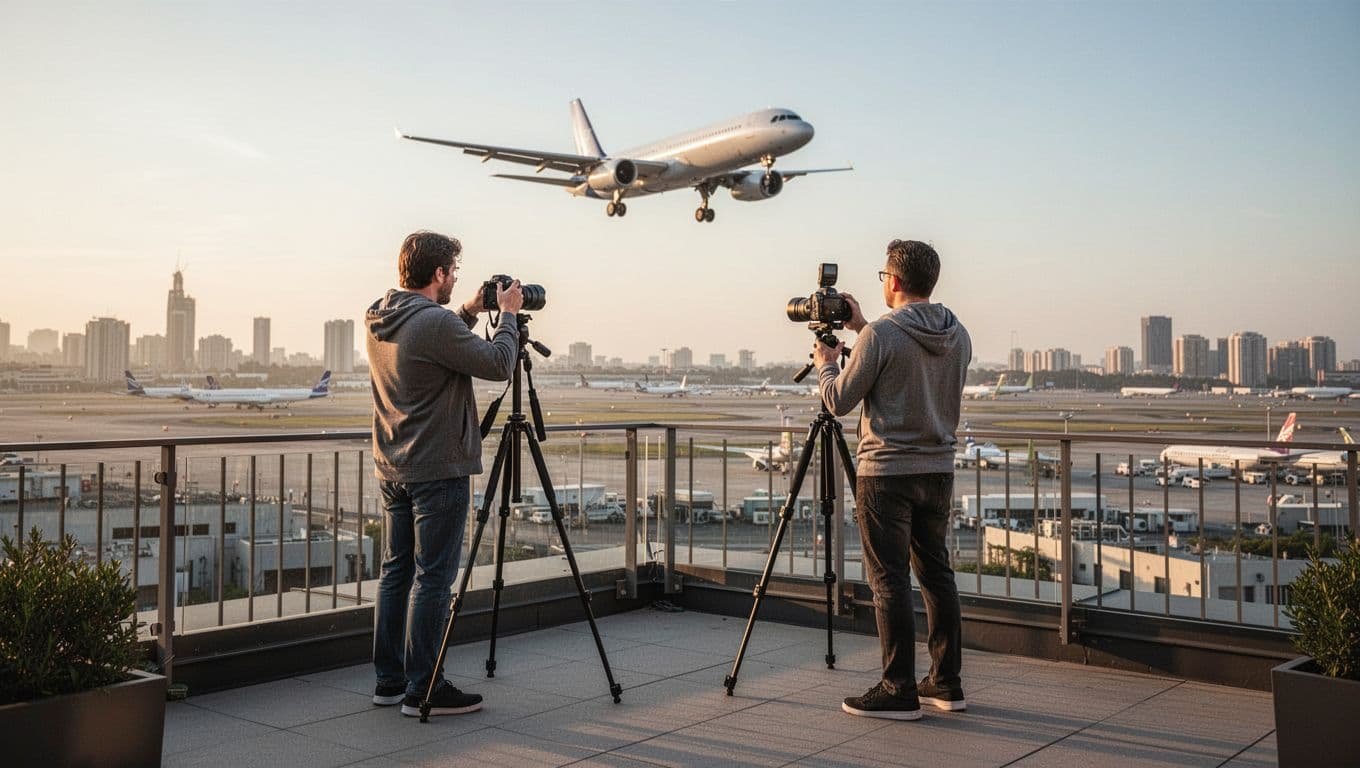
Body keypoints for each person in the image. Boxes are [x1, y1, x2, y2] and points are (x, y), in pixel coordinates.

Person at [812, 239, 971, 721]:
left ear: (894, 281)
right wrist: (861, 327)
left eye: (883, 276)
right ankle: (946, 684)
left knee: (890, 580)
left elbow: (838, 400)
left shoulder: (883, 335)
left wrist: (826, 364)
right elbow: (908, 358)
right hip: (937, 470)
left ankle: (898, 687)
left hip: (887, 473)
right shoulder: (957, 332)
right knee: (936, 574)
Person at [366, 230, 523, 717]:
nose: (456, 277)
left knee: (396, 572)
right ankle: (424, 687)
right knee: (433, 579)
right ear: (438, 274)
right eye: (453, 271)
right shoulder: (431, 323)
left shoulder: (383, 316)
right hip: (437, 467)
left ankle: (390, 682)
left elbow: (434, 339)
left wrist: (472, 311)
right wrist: (510, 315)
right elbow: (499, 364)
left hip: (394, 464)